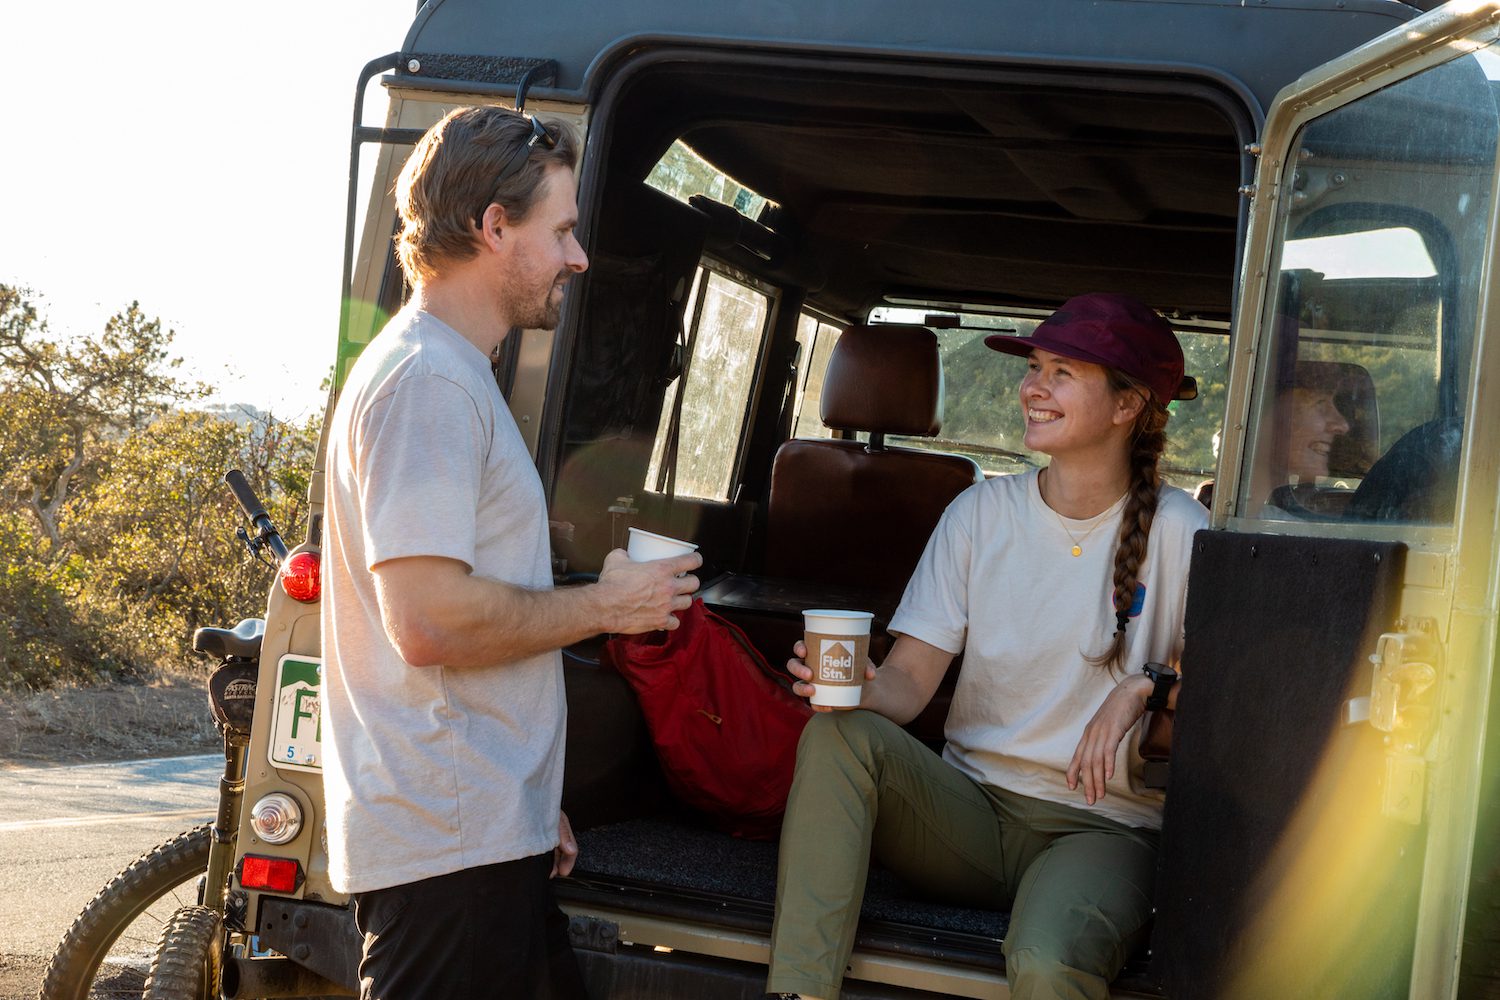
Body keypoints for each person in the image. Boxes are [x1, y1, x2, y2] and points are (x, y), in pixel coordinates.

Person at [320, 105, 701, 1000]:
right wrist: (609, 607)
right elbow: (428, 620)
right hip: (446, 854)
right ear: (494, 227)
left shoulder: (449, 374)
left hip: (483, 833)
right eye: (561, 230)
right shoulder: (429, 384)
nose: (578, 256)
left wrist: (525, 806)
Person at [765, 293, 1209, 1000]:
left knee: (1044, 960)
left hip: (1103, 831)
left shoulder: (1185, 530)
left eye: (1062, 372)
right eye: (1034, 367)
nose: (1033, 387)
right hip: (969, 816)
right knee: (837, 736)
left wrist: (1142, 686)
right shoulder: (979, 512)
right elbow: (909, 685)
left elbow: (1237, 704)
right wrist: (853, 687)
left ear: (1128, 407)